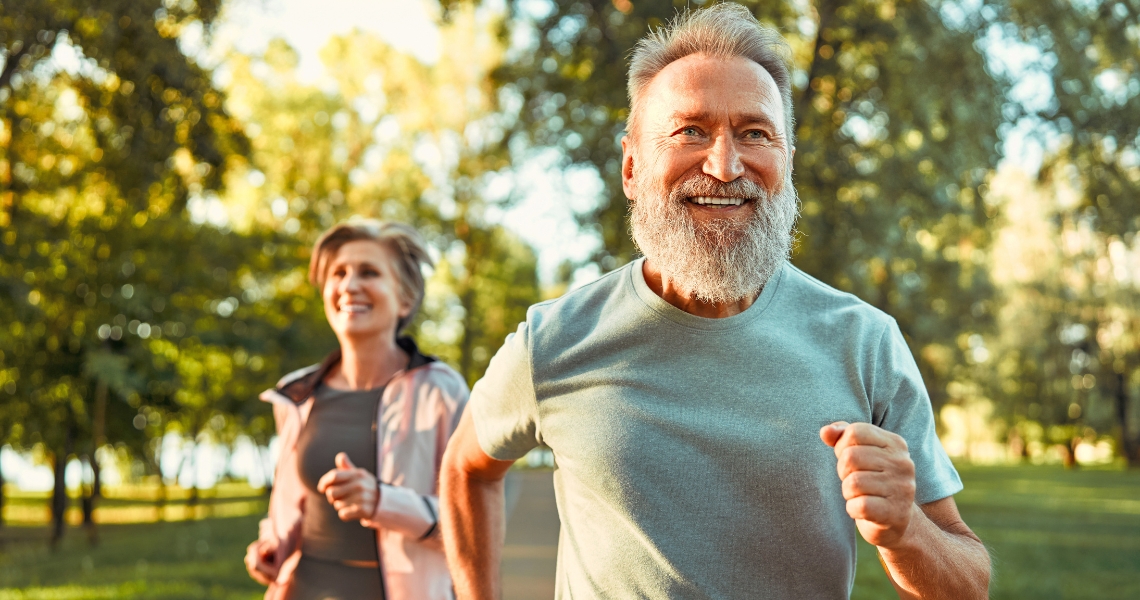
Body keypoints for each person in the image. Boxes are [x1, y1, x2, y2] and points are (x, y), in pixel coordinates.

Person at [440, 4, 990, 600]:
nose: (725, 166)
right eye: (690, 131)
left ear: (786, 162)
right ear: (631, 166)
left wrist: (906, 530)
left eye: (754, 133)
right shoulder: (554, 341)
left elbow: (968, 584)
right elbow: (465, 470)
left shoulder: (865, 342)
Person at [246, 219, 469, 600]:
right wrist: (271, 547)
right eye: (339, 273)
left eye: (369, 272)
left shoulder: (442, 391)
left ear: (405, 298)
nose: (349, 285)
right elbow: (291, 507)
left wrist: (383, 501)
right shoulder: (299, 394)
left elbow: (471, 525)